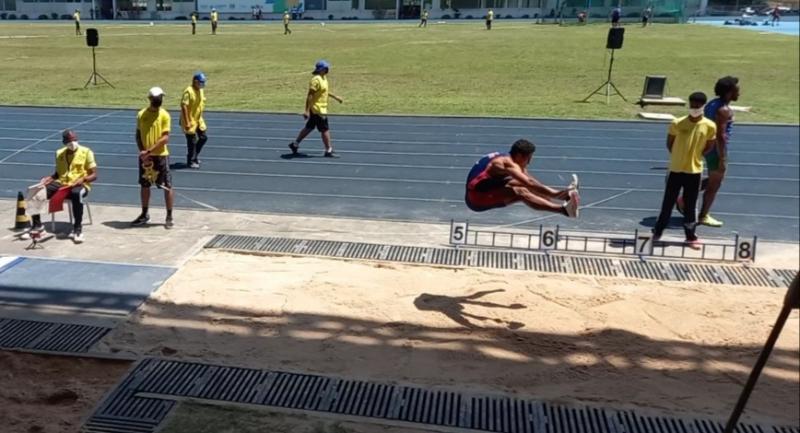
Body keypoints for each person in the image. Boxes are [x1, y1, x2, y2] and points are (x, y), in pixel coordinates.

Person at [652, 92, 717, 249]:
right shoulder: (677, 123)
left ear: (703, 107)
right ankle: (658, 231)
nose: (694, 108)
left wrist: (695, 156)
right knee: (667, 202)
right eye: (692, 105)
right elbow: (670, 144)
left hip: (694, 171)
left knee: (690, 205)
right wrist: (678, 156)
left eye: (697, 106)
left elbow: (709, 146)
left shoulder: (709, 126)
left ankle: (690, 236)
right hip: (675, 169)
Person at [679, 76, 739, 228]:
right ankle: (703, 215)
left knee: (714, 179)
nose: (739, 92)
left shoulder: (712, 104)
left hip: (707, 145)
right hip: (716, 150)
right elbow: (721, 135)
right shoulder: (723, 110)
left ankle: (684, 199)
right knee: (715, 183)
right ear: (729, 92)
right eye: (737, 89)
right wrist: (722, 157)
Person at [465, 139, 580, 217]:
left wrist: (557, 195)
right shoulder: (506, 163)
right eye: (528, 158)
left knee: (518, 183)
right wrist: (555, 194)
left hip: (487, 187)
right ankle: (564, 211)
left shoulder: (513, 159)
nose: (529, 162)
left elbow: (531, 181)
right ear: (519, 155)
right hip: (476, 198)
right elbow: (529, 183)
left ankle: (565, 197)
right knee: (520, 191)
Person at [27, 130, 97, 243]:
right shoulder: (59, 153)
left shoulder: (87, 152)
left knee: (76, 194)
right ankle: (37, 226)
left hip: (79, 184)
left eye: (75, 140)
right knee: (37, 190)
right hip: (62, 183)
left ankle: (77, 228)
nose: (73, 143)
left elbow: (94, 175)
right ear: (64, 142)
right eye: (70, 141)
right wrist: (49, 178)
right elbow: (58, 174)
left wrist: (83, 179)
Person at [132, 87, 174, 228]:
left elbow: (165, 138)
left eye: (160, 98)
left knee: (167, 186)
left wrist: (148, 151)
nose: (159, 101)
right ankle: (144, 214)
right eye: (157, 99)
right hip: (145, 156)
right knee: (144, 185)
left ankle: (169, 216)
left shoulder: (165, 115)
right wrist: (143, 152)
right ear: (150, 99)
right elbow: (138, 135)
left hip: (161, 155)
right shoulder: (141, 114)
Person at [288, 60, 344, 158]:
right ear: (321, 69)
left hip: (320, 108)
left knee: (309, 127)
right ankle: (328, 150)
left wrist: (335, 97)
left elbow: (324, 92)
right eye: (326, 68)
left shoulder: (324, 78)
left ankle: (295, 144)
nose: (328, 70)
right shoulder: (316, 80)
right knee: (325, 130)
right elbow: (310, 95)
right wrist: (306, 110)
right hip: (317, 109)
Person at [181, 72, 208, 169]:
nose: (202, 84)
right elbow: (184, 106)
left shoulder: (200, 90)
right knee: (192, 141)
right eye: (201, 82)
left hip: (198, 119)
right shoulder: (188, 91)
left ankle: (195, 156)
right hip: (189, 120)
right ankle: (191, 161)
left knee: (203, 137)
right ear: (195, 81)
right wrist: (187, 122)